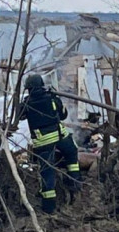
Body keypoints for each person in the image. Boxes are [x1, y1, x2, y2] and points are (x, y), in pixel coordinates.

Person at [17, 74, 81, 214]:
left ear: (28, 89)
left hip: (43, 142)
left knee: (47, 172)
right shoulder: (52, 98)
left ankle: (49, 207)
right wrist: (54, 98)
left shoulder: (27, 104)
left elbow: (18, 117)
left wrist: (20, 104)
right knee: (72, 153)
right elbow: (63, 115)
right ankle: (74, 182)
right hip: (60, 136)